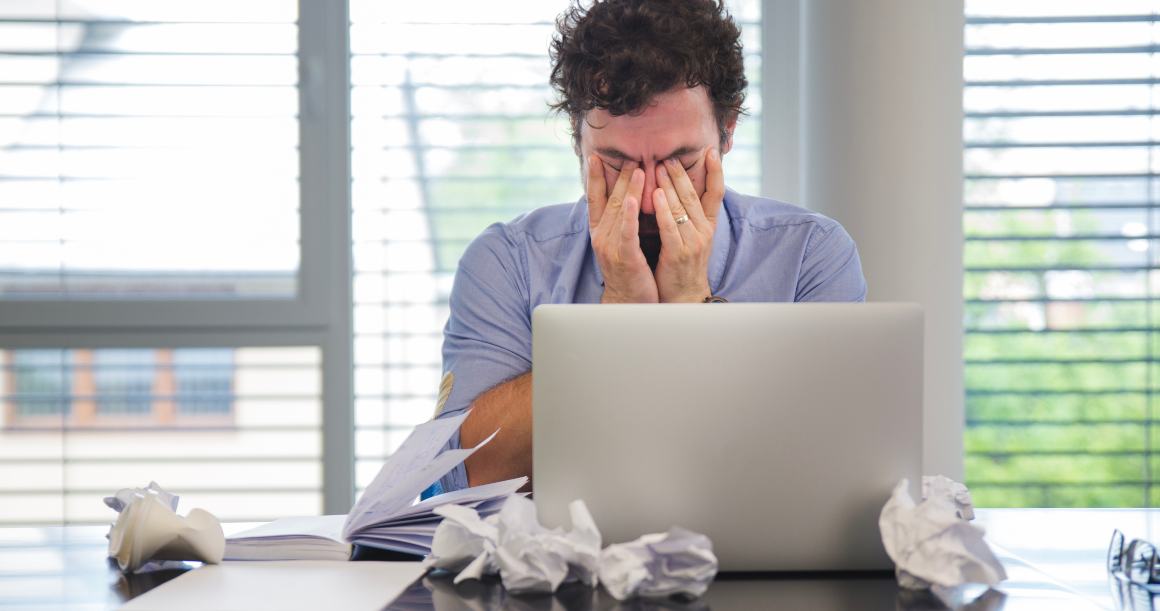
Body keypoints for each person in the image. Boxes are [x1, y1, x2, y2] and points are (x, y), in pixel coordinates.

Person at [431, 0, 866, 494]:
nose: (649, 195)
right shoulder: (508, 261)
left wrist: (690, 305)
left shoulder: (810, 253)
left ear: (727, 133)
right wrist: (617, 318)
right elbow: (468, 474)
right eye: (616, 163)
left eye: (680, 160)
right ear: (578, 142)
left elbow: (822, 470)